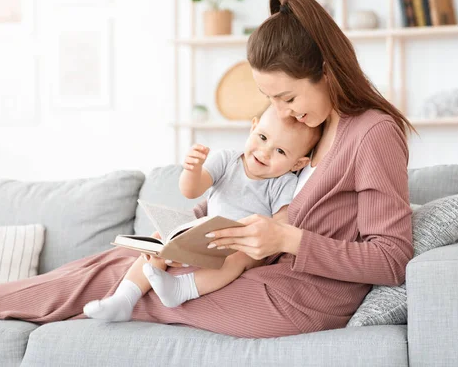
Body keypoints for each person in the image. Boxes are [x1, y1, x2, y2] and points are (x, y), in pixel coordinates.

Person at [0, 0, 415, 339]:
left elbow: (392, 259)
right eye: (272, 100)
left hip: (302, 298)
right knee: (133, 257)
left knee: (121, 280)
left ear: (328, 72)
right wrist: (192, 233)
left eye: (289, 96)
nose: (284, 111)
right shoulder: (308, 132)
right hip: (258, 270)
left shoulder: (372, 134)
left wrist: (287, 238)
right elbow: (252, 197)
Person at [83, 105, 321, 320]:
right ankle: (124, 299)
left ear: (297, 164)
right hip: (203, 235)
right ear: (253, 126)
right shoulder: (227, 160)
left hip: (238, 245)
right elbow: (191, 190)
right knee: (159, 239)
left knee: (242, 257)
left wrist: (269, 232)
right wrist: (193, 170)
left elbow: (282, 221)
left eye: (280, 151)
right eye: (262, 137)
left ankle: (181, 289)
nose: (265, 152)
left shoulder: (282, 183)